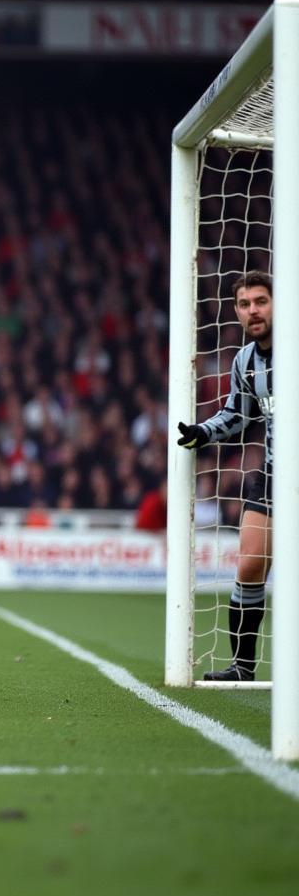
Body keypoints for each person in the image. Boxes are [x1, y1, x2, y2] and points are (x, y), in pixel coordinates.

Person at [177, 270, 273, 682]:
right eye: (245, 304)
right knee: (250, 565)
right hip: (273, 472)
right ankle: (242, 667)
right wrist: (203, 430)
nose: (254, 311)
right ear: (236, 311)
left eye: (261, 301)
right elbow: (237, 414)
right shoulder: (245, 360)